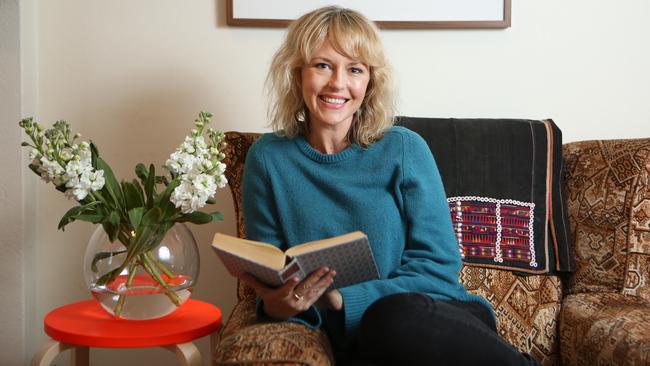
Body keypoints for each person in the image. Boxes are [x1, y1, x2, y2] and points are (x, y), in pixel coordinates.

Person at [241, 6, 539, 366]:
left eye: (354, 69)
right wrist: (276, 302)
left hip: (436, 320)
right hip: (360, 344)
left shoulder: (403, 148)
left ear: (369, 83)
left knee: (388, 318)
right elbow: (270, 270)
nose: (338, 83)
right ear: (297, 73)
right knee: (376, 330)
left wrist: (341, 300)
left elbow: (439, 268)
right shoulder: (268, 159)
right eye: (322, 65)